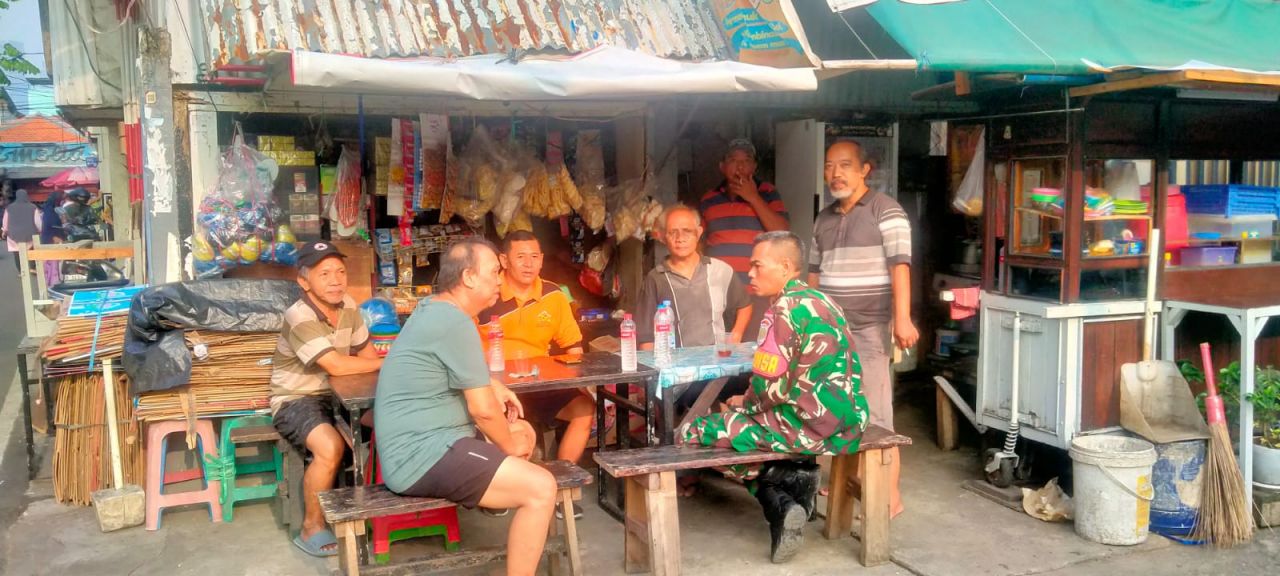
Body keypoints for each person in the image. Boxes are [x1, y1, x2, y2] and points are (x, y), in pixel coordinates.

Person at [680, 231, 867, 564]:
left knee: (694, 432)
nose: (750, 273)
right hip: (849, 423)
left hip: (807, 428)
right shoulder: (823, 301)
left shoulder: (781, 310)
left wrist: (743, 403)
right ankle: (786, 492)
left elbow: (770, 389)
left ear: (785, 267)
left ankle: (777, 486)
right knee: (745, 426)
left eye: (757, 265)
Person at [375, 238, 557, 576]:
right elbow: (483, 411)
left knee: (523, 430)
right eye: (494, 272)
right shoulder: (454, 322)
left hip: (438, 440)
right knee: (541, 487)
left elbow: (456, 371)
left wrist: (491, 385)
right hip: (421, 455)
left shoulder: (436, 309)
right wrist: (507, 446)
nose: (500, 280)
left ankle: (500, 482)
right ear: (469, 277)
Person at [809, 139, 918, 518]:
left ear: (864, 170)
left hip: (871, 327)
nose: (835, 173)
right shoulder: (823, 219)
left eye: (844, 165)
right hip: (832, 331)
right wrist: (810, 321)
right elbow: (814, 275)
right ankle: (846, 480)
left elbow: (900, 266)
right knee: (839, 408)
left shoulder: (886, 210)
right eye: (829, 166)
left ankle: (890, 497)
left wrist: (902, 318)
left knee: (876, 414)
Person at [270, 241, 383, 557]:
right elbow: (336, 365)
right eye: (324, 274)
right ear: (304, 282)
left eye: (340, 272)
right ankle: (311, 527)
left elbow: (367, 356)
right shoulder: (299, 315)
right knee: (330, 447)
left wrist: (376, 363)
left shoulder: (349, 306)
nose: (336, 280)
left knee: (386, 423)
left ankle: (375, 508)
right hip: (296, 398)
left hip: (341, 393)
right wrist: (385, 362)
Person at [477, 230, 593, 519]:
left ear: (542, 260)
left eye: (534, 256)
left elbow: (573, 345)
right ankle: (501, 491)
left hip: (541, 383)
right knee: (493, 420)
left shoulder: (554, 295)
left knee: (584, 408)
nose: (528, 264)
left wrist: (576, 378)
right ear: (504, 261)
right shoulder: (486, 295)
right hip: (496, 387)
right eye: (520, 257)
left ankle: (560, 489)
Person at [637, 204, 753, 405]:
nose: (680, 238)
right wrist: (651, 382)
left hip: (719, 366)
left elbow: (745, 304)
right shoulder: (656, 278)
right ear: (663, 236)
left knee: (750, 385)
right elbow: (647, 337)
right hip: (679, 374)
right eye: (672, 232)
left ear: (699, 233)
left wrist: (736, 335)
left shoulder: (720, 270)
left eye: (687, 231)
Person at [700, 138, 788, 341]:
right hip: (718, 293)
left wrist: (753, 197)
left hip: (757, 294)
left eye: (746, 160)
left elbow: (782, 232)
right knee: (719, 349)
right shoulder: (709, 199)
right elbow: (699, 241)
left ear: (754, 167)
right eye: (733, 160)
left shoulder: (768, 193)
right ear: (722, 167)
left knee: (755, 351)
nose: (740, 166)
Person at [2, 189, 41, 272]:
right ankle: (32, 267)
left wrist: (4, 231)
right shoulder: (33, 207)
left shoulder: (9, 208)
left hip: (13, 234)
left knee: (16, 252)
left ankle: (20, 271)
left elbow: (5, 221)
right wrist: (39, 230)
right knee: (31, 250)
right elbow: (37, 222)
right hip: (30, 234)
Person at [40, 190, 67, 287]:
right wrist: (55, 237)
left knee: (51, 264)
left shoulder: (49, 210)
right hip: (52, 240)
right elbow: (51, 226)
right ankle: (53, 284)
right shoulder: (50, 212)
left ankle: (51, 283)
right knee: (53, 264)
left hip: (49, 239)